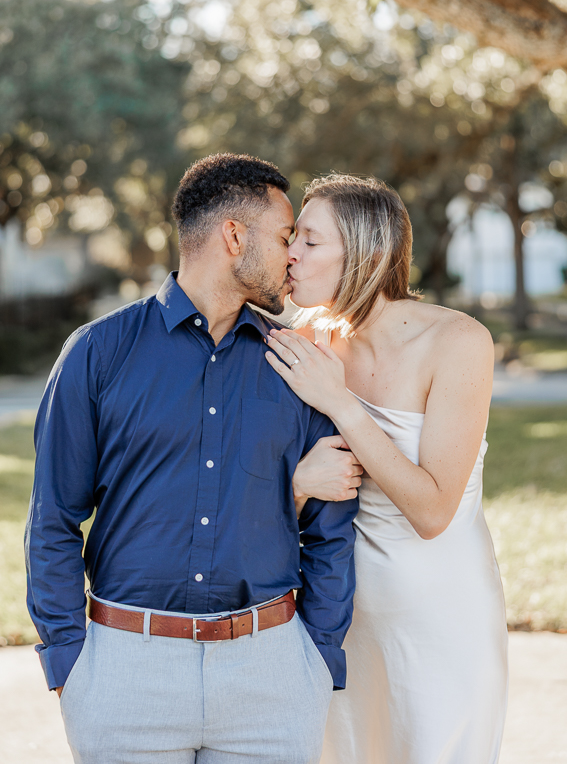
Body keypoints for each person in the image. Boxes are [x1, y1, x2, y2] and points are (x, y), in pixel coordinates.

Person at [25, 154, 360, 764]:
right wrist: (69, 664)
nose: (293, 255)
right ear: (233, 236)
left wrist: (317, 656)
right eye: (286, 236)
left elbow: (331, 527)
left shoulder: (299, 368)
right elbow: (52, 520)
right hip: (124, 678)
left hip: (272, 677)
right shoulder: (97, 354)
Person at [265, 173, 508, 764]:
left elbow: (431, 510)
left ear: (367, 253)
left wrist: (341, 402)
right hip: (337, 613)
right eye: (292, 237)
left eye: (310, 242)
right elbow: (263, 475)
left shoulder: (458, 341)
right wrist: (296, 486)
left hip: (440, 614)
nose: (290, 253)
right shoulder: (303, 341)